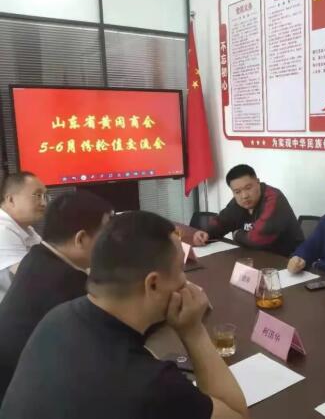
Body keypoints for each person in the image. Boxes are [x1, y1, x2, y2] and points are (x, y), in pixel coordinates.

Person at [0, 211, 248, 419]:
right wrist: (193, 332)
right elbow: (236, 415)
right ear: (153, 284)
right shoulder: (152, 386)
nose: (185, 282)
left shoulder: (57, 317)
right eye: (181, 271)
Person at [0, 191, 113, 402]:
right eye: (106, 236)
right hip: (22, 395)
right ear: (80, 239)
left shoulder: (36, 258)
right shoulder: (68, 285)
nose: (111, 244)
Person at [193, 164, 303, 256]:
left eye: (248, 188)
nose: (244, 196)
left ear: (258, 182)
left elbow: (257, 239)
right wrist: (205, 233)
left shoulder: (273, 199)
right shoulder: (239, 202)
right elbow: (222, 221)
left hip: (288, 260)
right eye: (237, 192)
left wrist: (237, 234)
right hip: (256, 255)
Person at [0, 172, 47, 302]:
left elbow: (49, 262)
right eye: (37, 195)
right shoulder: (2, 230)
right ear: (11, 200)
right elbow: (34, 278)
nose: (44, 203)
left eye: (44, 196)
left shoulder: (26, 229)